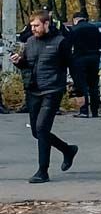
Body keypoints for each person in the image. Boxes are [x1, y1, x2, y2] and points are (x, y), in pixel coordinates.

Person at [11, 10, 78, 184]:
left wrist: (78, 89)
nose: (33, 29)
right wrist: (19, 62)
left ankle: (43, 171)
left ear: (46, 24)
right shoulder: (30, 42)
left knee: (41, 129)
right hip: (33, 91)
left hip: (52, 90)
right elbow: (28, 66)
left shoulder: (60, 42)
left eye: (36, 25)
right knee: (36, 131)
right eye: (32, 26)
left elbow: (71, 65)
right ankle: (67, 150)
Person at [67, 12, 101, 118]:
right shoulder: (95, 28)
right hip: (94, 59)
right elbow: (100, 43)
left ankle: (84, 111)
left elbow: (69, 45)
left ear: (75, 19)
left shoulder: (74, 29)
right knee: (93, 85)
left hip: (79, 59)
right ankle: (95, 111)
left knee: (81, 86)